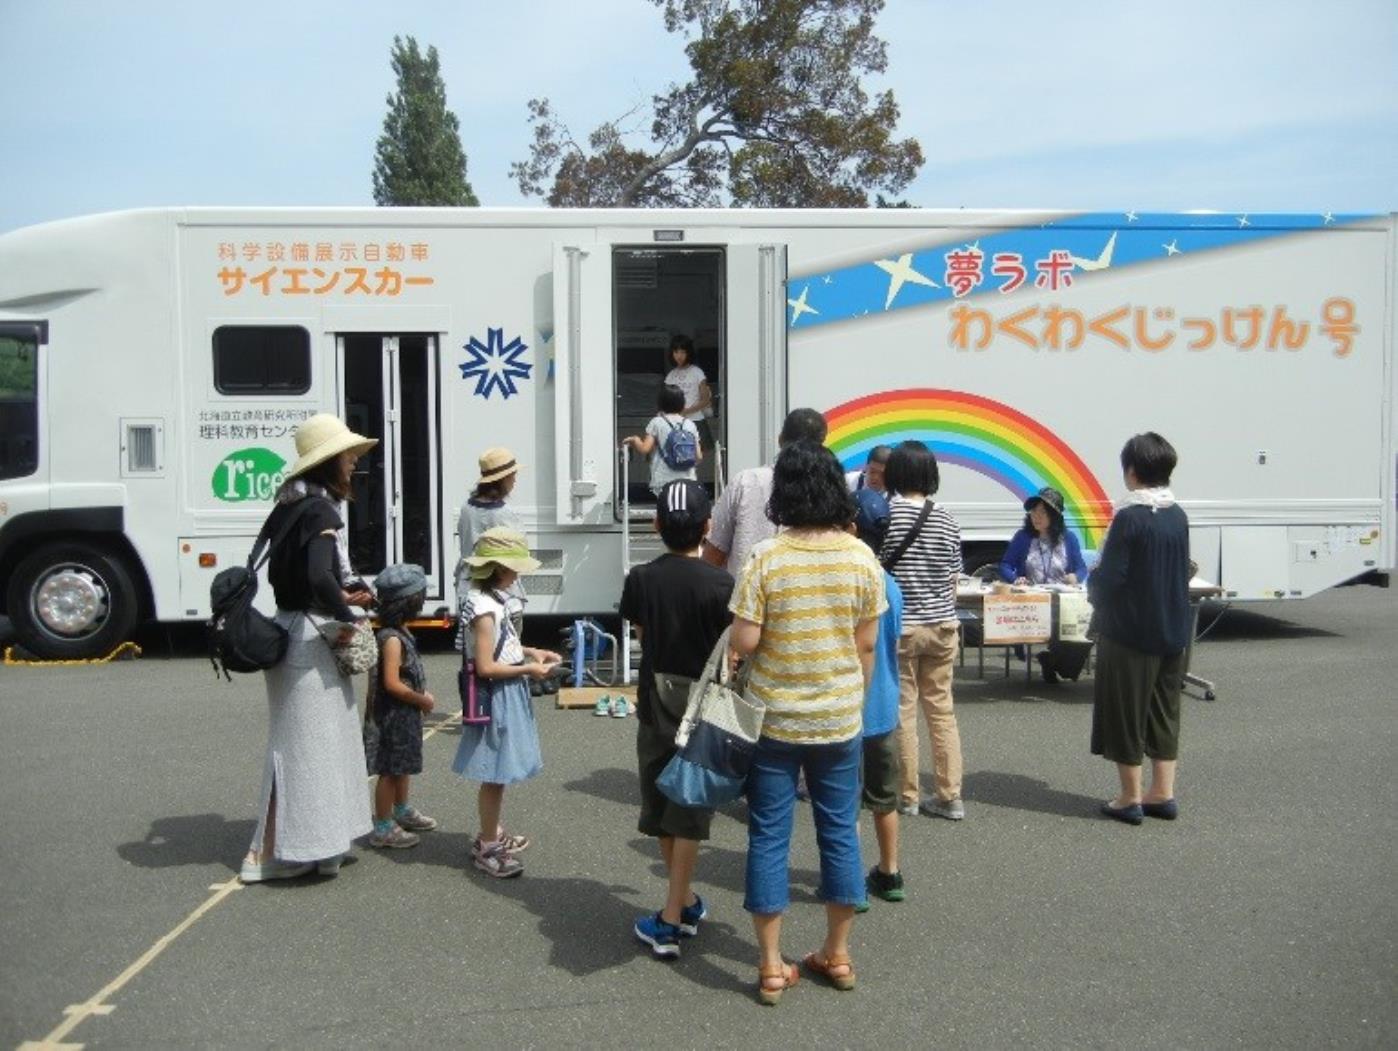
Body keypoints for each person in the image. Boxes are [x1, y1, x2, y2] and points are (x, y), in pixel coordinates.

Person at [729, 440, 885, 1005]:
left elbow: (744, 641)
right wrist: (854, 697)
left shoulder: (767, 558)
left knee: (769, 835)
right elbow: (866, 644)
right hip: (840, 718)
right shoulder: (860, 557)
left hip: (774, 720)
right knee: (840, 831)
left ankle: (771, 965)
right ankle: (836, 954)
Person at [239, 413, 377, 883]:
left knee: (305, 746)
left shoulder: (289, 506)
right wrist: (346, 612)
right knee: (310, 749)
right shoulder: (321, 511)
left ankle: (318, 845)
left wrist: (341, 595)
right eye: (349, 455)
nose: (354, 462)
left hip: (288, 630)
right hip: (311, 640)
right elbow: (320, 575)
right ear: (331, 461)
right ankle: (281, 853)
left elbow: (300, 575)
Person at [619, 480, 734, 958]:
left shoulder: (641, 578)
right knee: (688, 808)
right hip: (707, 709)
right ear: (708, 527)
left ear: (657, 524)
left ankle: (672, 916)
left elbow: (642, 632)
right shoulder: (724, 584)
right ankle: (681, 902)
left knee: (665, 806)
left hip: (655, 704)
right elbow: (734, 649)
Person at [1088, 433, 1192, 826]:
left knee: (1125, 713)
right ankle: (1162, 793)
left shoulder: (1130, 517)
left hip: (1130, 630)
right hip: (1172, 629)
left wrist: (1092, 589)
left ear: (1131, 471)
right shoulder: (1176, 514)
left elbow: (1111, 576)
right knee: (1164, 712)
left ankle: (1129, 797)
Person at [452, 528, 563, 876]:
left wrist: (530, 651)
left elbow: (503, 645)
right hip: (496, 696)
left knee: (498, 771)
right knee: (496, 772)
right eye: (514, 567)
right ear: (498, 568)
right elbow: (485, 665)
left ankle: (492, 831)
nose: (518, 574)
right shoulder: (485, 607)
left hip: (504, 689)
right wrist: (529, 668)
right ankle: (488, 845)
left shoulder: (490, 598)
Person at [880, 440, 966, 821]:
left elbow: (878, 571)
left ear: (896, 474)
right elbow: (952, 579)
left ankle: (909, 795)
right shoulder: (946, 517)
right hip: (943, 625)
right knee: (941, 710)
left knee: (904, 712)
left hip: (904, 627)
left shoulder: (887, 515)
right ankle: (950, 796)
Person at [363, 563, 439, 850]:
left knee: (402, 765)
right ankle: (383, 826)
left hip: (404, 713)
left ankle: (402, 809)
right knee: (390, 770)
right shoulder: (392, 639)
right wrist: (421, 699)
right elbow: (393, 683)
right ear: (411, 602)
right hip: (394, 715)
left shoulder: (398, 631)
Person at [851, 509, 906, 909]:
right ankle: (889, 872)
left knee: (845, 804)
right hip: (885, 707)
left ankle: (850, 880)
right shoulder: (891, 584)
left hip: (851, 709)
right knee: (884, 799)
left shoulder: (851, 580)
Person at [702, 407, 828, 577]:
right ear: (822, 445)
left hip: (744, 597)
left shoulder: (746, 481)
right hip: (804, 598)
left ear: (780, 439)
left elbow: (714, 552)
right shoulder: (829, 490)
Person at [997, 486, 1093, 682]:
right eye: (1033, 512)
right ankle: (1051, 660)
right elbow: (1005, 565)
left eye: (1042, 512)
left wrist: (1076, 577)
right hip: (1033, 600)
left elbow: (1082, 569)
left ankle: (1051, 659)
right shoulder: (1023, 538)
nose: (1036, 517)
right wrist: (1016, 579)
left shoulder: (1069, 538)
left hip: (1063, 600)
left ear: (1054, 516)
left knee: (1083, 632)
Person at [455, 447, 525, 637]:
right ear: (503, 479)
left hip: (468, 587)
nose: (515, 480)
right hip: (502, 591)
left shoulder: (467, 507)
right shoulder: (504, 513)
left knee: (472, 653)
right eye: (513, 475)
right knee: (505, 653)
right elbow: (517, 552)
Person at [623, 383, 703, 497]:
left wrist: (635, 439)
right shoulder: (690, 424)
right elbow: (698, 457)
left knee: (667, 512)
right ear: (682, 403)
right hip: (688, 480)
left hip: (664, 481)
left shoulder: (657, 422)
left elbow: (645, 449)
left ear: (660, 403)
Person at [664, 333, 714, 448]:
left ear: (689, 353)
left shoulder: (697, 372)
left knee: (696, 457)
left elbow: (705, 400)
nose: (679, 356)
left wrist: (687, 411)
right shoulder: (671, 376)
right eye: (676, 352)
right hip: (675, 422)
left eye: (683, 352)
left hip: (695, 421)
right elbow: (667, 400)